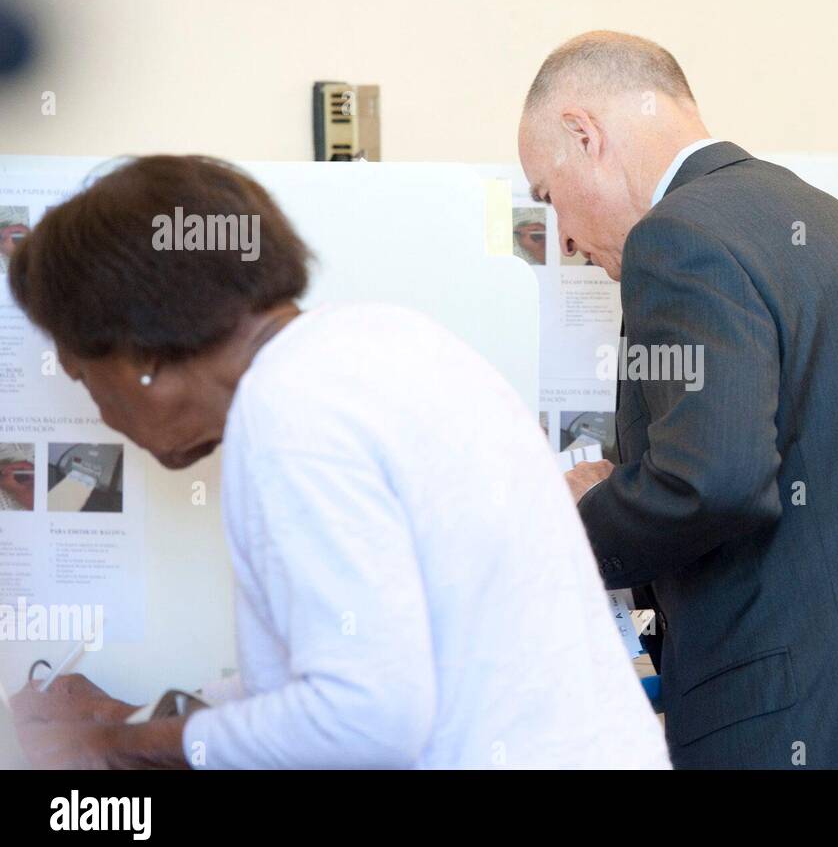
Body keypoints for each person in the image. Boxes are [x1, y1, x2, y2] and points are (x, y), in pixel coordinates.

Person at [7, 155, 670, 770]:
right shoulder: (378, 344)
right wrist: (137, 718)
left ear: (141, 353)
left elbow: (365, 715)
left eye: (85, 377)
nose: (101, 412)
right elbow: (345, 662)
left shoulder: (288, 412)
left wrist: (117, 747)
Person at [519, 31, 838, 770]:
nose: (561, 240)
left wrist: (567, 520)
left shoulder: (678, 237)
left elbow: (713, 481)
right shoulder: (833, 225)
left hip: (805, 720)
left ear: (585, 135)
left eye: (547, 196)